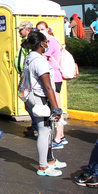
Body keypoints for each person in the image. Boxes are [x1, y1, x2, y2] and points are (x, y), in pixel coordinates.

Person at [18, 31, 65, 177]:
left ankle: (49, 160)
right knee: (44, 132)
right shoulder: (39, 61)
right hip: (41, 100)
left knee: (48, 130)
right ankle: (43, 167)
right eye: (46, 41)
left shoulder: (30, 57)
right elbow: (48, 87)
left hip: (34, 99)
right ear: (41, 44)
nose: (47, 44)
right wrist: (56, 108)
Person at [36, 21, 67, 149]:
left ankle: (58, 139)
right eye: (38, 29)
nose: (40, 31)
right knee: (55, 105)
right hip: (52, 77)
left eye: (42, 28)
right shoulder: (47, 41)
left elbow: (43, 57)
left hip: (55, 77)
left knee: (56, 107)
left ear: (47, 29)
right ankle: (61, 135)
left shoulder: (51, 42)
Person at [14, 20, 38, 138]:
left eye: (21, 29)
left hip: (28, 77)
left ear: (28, 29)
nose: (19, 32)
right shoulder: (24, 41)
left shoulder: (31, 42)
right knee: (26, 101)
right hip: (24, 75)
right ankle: (35, 126)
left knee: (29, 101)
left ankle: (36, 128)